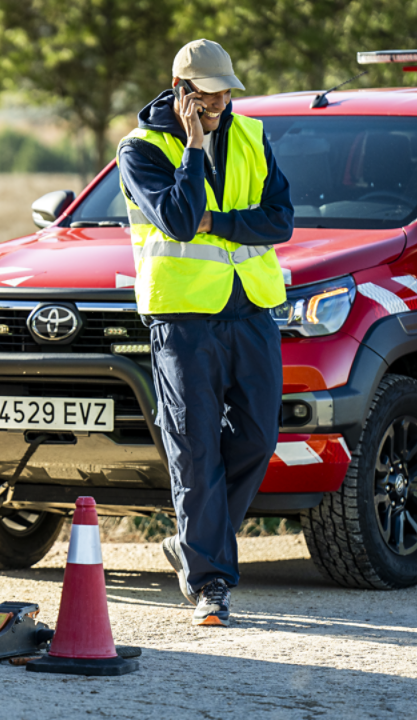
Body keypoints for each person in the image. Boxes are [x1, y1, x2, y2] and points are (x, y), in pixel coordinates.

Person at [117, 39, 293, 626]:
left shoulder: (252, 134)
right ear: (183, 93)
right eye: (210, 97)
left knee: (258, 439)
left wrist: (219, 221)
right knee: (195, 449)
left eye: (225, 95)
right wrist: (194, 146)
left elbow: (280, 221)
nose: (222, 106)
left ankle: (194, 541)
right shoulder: (141, 149)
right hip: (184, 317)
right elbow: (178, 218)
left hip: (252, 310)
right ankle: (210, 584)